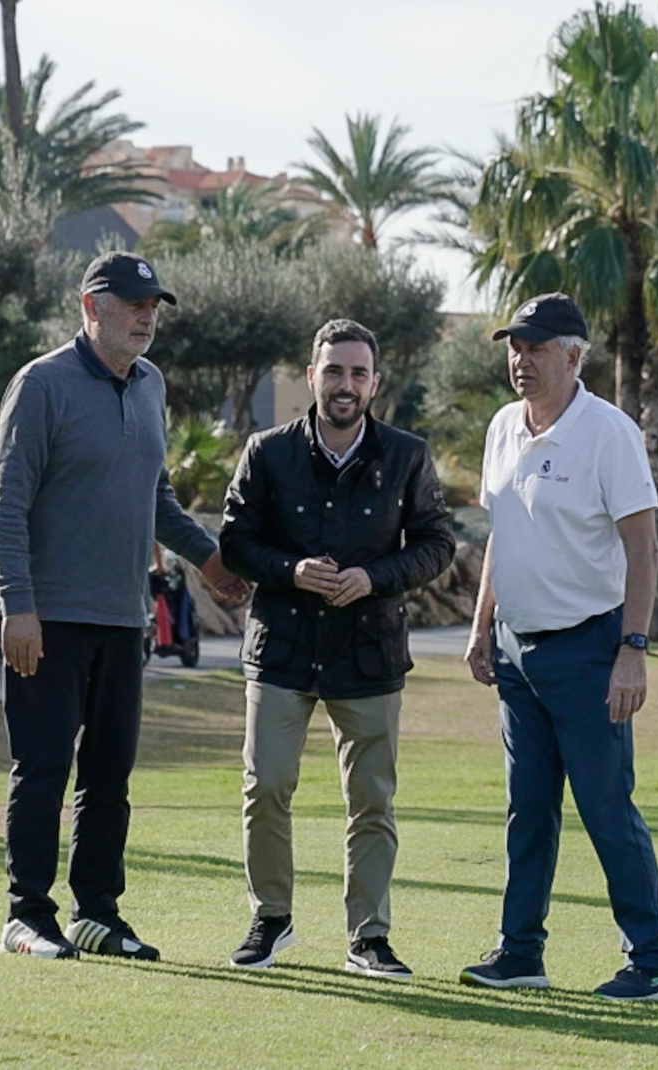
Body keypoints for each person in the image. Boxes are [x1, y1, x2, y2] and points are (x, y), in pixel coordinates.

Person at [0, 251, 249, 960]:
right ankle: (25, 916)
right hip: (49, 618)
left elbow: (154, 494)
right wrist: (18, 605)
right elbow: (5, 504)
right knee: (43, 770)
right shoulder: (41, 384)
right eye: (133, 304)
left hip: (123, 617)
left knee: (109, 778)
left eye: (153, 306)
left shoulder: (150, 384)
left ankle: (97, 913)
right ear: (90, 307)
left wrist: (207, 557)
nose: (146, 317)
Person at [458, 293, 658, 1002]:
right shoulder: (503, 427)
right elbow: (503, 536)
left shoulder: (609, 432)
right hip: (515, 651)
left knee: (606, 809)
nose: (520, 360)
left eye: (536, 348)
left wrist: (633, 649)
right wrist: (481, 625)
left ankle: (653, 962)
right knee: (527, 811)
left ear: (574, 356)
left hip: (589, 650)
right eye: (514, 348)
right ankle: (520, 952)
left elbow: (643, 547)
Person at [219, 318, 455, 980]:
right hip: (282, 648)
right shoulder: (266, 452)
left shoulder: (407, 455)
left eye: (357, 373)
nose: (344, 384)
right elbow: (235, 542)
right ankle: (270, 919)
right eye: (333, 371)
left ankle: (369, 937)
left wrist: (374, 578)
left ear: (375, 383)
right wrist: (291, 571)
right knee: (266, 785)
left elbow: (437, 543)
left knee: (372, 801)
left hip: (369, 652)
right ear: (310, 376)